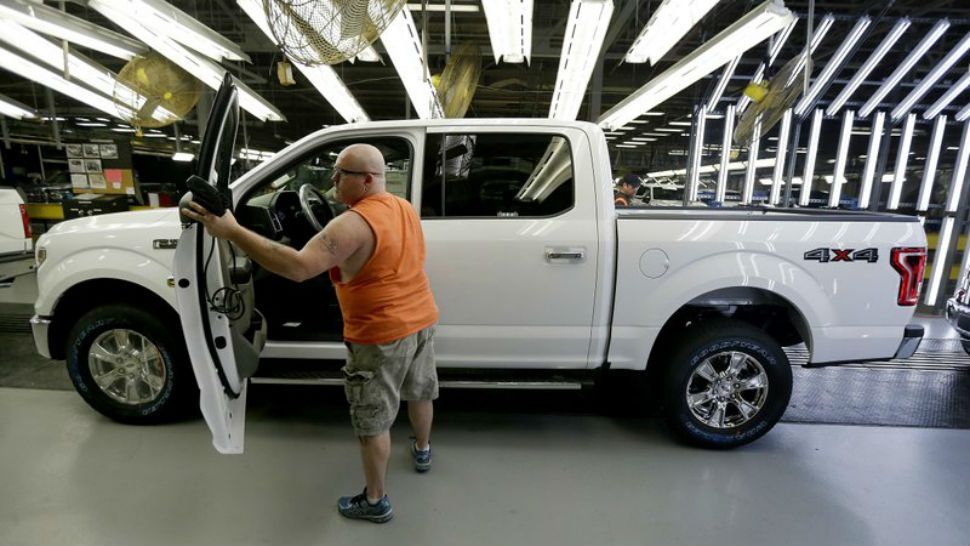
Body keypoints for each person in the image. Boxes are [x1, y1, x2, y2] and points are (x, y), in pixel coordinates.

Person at [182, 143, 439, 524]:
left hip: (380, 334)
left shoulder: (351, 224)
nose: (332, 179)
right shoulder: (401, 207)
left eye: (341, 173)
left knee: (372, 422)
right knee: (420, 390)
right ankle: (422, 449)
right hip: (422, 318)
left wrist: (233, 231)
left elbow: (299, 268)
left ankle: (375, 500)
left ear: (367, 180)